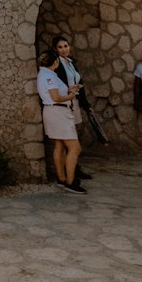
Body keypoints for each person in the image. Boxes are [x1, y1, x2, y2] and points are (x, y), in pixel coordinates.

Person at [37, 47, 85, 194]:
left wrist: (69, 89)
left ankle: (62, 178)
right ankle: (71, 182)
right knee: (75, 148)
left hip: (53, 111)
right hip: (59, 112)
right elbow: (56, 97)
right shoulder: (50, 76)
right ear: (56, 61)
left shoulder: (45, 74)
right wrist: (70, 97)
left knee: (59, 145)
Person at [47, 34, 93, 184]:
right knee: (66, 140)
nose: (64, 49)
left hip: (75, 103)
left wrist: (86, 104)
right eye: (60, 47)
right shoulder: (56, 65)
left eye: (65, 46)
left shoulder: (71, 62)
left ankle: (74, 167)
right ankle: (67, 173)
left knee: (73, 136)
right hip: (64, 103)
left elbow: (79, 83)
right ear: (55, 49)